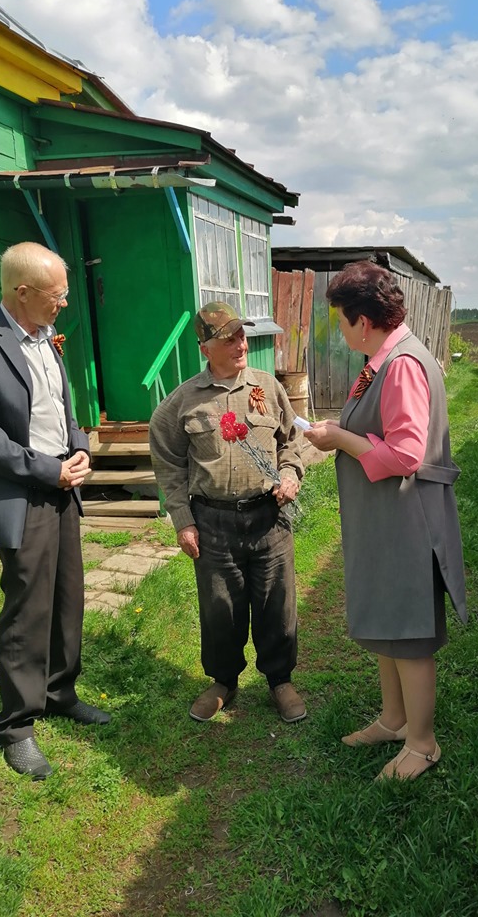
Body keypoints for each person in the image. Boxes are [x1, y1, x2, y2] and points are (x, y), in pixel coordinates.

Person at [0, 242, 110, 781]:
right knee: (27, 607)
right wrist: (48, 470)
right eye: (56, 295)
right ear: (22, 292)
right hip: (24, 489)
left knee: (67, 596)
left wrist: (79, 443)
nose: (63, 304)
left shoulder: (44, 338)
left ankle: (60, 693)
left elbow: (57, 408)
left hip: (63, 481)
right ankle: (16, 725)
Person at [304, 260, 467, 780]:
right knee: (388, 620)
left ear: (364, 321)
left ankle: (422, 743)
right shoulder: (384, 356)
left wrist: (339, 439)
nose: (339, 331)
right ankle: (395, 720)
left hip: (407, 515)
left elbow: (405, 455)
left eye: (340, 321)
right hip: (387, 515)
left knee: (410, 629)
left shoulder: (401, 366)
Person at [149, 301, 307, 724]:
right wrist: (182, 521)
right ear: (205, 347)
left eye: (242, 335)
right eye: (229, 338)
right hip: (213, 522)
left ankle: (280, 680)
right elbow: (168, 466)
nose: (241, 344)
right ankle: (223, 681)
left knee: (278, 602)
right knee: (221, 608)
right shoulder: (182, 402)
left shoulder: (267, 387)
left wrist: (290, 473)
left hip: (268, 517)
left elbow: (290, 441)